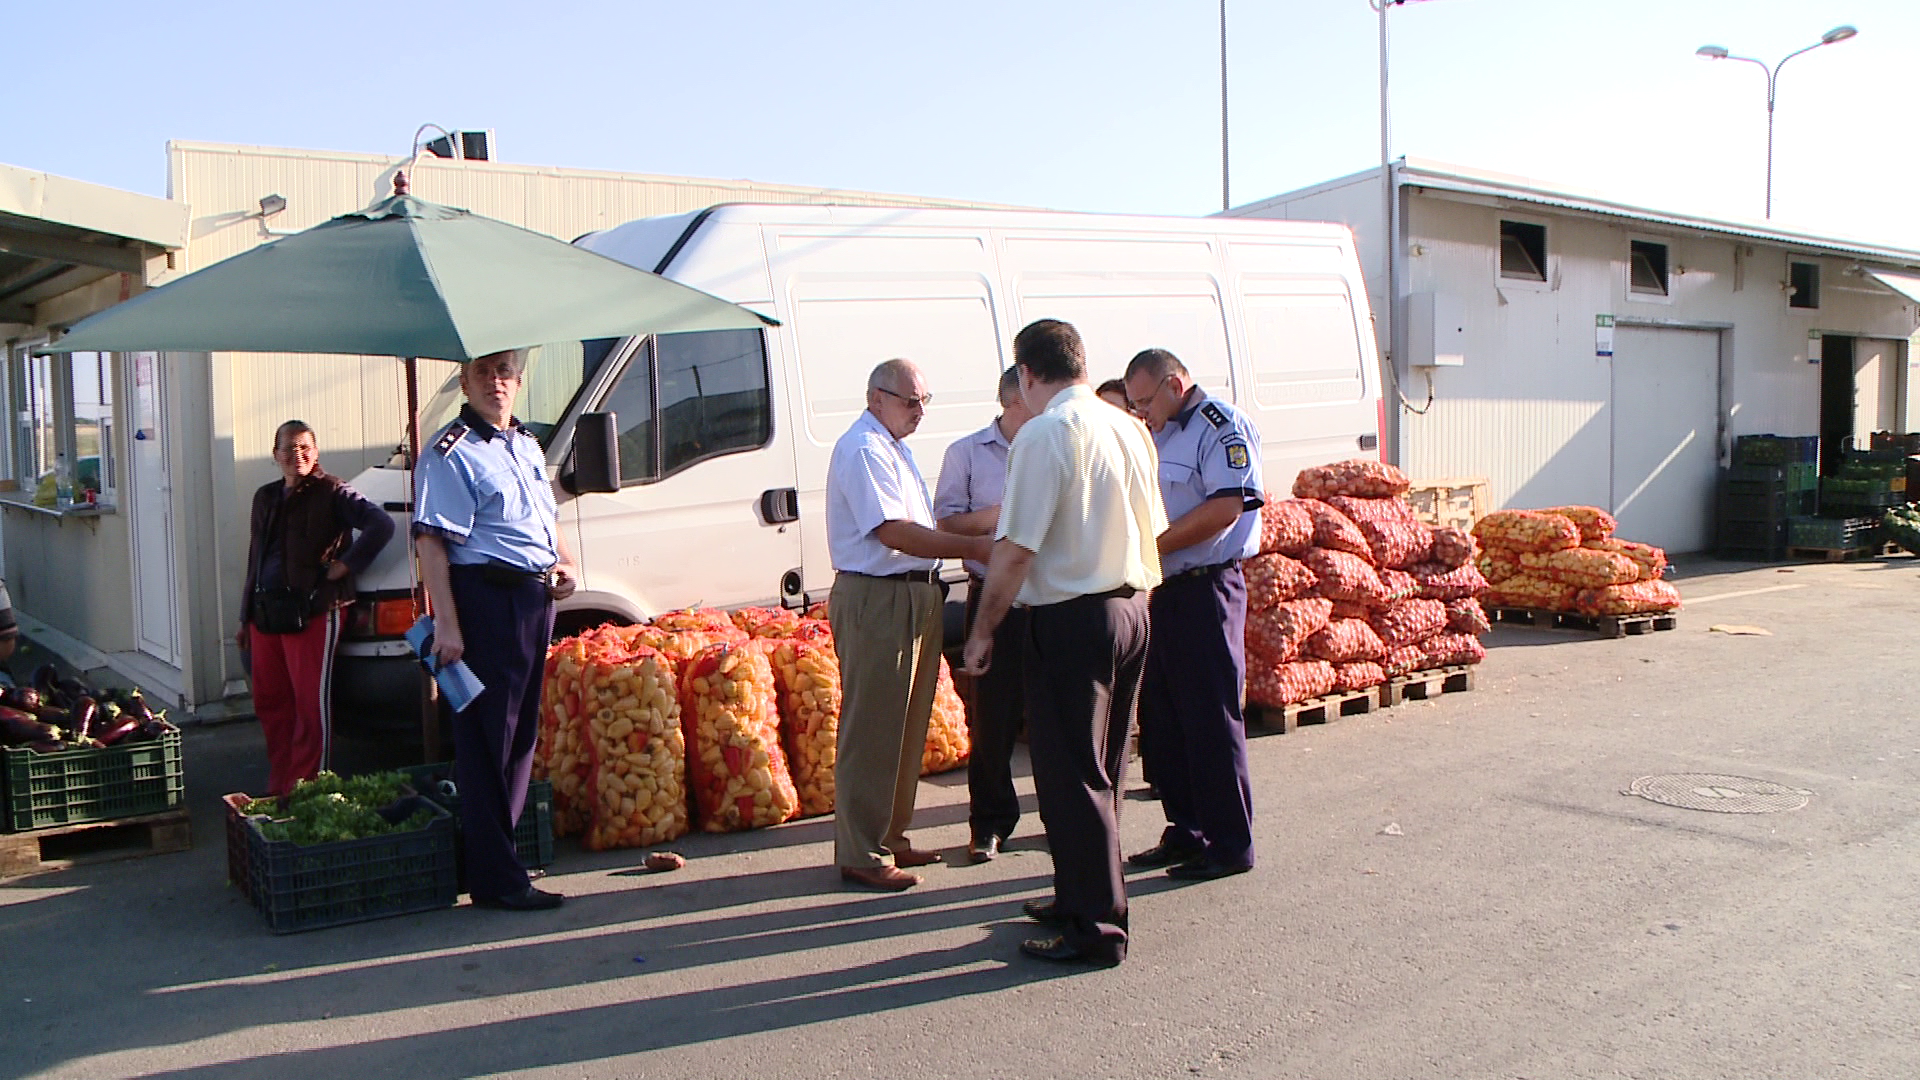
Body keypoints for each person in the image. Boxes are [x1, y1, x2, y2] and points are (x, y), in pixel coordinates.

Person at [963, 319, 1166, 967]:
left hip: (1073, 618)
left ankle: (1095, 927)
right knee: (1103, 770)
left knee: (1070, 776)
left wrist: (983, 630)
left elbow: (1015, 549)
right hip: (1130, 608)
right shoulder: (1127, 426)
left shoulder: (1044, 433)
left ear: (1026, 373)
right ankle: (1081, 895)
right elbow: (1152, 528)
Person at [414, 349, 579, 912]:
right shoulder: (449, 452)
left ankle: (498, 860)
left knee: (521, 737)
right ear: (464, 382)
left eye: (504, 372)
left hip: (534, 599)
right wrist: (448, 625)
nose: (495, 382)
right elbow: (431, 543)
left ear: (519, 382)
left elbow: (546, 519)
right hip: (486, 602)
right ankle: (496, 879)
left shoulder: (526, 444)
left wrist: (565, 563)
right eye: (483, 373)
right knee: (489, 741)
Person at [827, 358, 993, 891]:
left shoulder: (891, 446)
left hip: (912, 593)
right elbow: (894, 533)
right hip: (878, 595)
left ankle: (889, 836)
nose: (919, 410)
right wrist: (973, 547)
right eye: (909, 400)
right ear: (875, 398)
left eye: (924, 400)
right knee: (874, 728)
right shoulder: (864, 448)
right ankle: (862, 851)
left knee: (904, 726)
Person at [1121, 347, 1263, 882]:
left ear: (1174, 386)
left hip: (1207, 587)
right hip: (1165, 589)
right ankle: (1187, 830)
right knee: (1163, 719)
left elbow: (1225, 508)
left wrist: (1150, 547)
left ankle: (1229, 843)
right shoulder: (1157, 433)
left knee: (1210, 720)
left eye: (1144, 401)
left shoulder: (1220, 426)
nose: (1140, 412)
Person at [237, 421, 395, 797]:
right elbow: (255, 557)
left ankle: (308, 790)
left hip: (314, 611)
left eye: (305, 447)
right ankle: (281, 786)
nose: (298, 456)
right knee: (271, 702)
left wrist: (346, 565)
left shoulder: (333, 490)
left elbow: (381, 525)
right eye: (289, 449)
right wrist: (245, 617)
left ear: (316, 452)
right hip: (266, 613)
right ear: (275, 455)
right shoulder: (265, 497)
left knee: (310, 704)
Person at [933, 366, 1035, 863]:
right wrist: (997, 515)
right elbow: (945, 523)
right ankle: (990, 824)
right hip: (991, 595)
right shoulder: (967, 452)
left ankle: (1062, 820)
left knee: (1053, 716)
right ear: (1015, 402)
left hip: (1049, 596)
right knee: (992, 719)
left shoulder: (1054, 446)